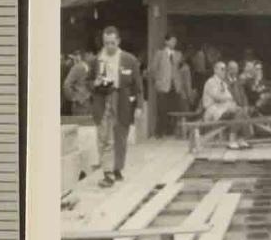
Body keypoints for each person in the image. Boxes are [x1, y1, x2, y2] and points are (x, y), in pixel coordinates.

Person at [89, 26, 144, 188]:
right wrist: (94, 83)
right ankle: (108, 173)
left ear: (118, 41)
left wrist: (139, 106)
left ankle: (117, 168)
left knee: (120, 136)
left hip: (121, 100)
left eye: (113, 43)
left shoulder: (129, 60)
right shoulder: (96, 60)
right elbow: (87, 82)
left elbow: (138, 86)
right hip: (102, 99)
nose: (110, 46)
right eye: (107, 43)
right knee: (104, 137)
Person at [202, 61, 245, 150]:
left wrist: (227, 99)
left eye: (225, 69)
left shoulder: (223, 84)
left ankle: (239, 138)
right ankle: (234, 139)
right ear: (215, 70)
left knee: (240, 111)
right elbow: (218, 97)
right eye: (222, 69)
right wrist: (227, 99)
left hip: (223, 110)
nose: (224, 71)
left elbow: (230, 97)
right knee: (239, 111)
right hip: (213, 112)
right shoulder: (211, 82)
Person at [148, 34, 183, 137]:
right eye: (172, 41)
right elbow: (153, 69)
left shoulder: (178, 54)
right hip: (163, 85)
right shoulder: (159, 54)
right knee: (162, 109)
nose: (174, 43)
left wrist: (179, 84)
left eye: (175, 41)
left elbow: (180, 69)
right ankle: (159, 132)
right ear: (166, 42)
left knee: (175, 109)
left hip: (175, 85)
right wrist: (157, 81)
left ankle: (171, 131)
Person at [62, 51, 91, 116]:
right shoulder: (84, 66)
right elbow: (66, 85)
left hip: (85, 102)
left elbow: (66, 84)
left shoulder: (79, 67)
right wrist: (73, 97)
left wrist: (73, 97)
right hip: (83, 102)